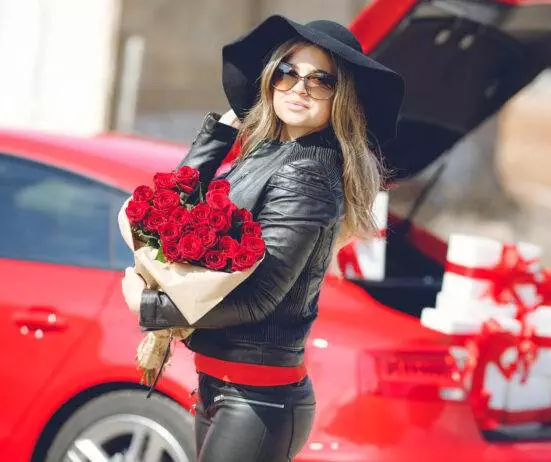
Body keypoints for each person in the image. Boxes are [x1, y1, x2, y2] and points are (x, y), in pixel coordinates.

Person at [119, 15, 404, 462]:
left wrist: (149, 307)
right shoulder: (269, 152)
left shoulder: (308, 173)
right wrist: (224, 129)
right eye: (287, 72)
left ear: (342, 97)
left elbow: (259, 298)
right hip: (226, 387)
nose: (299, 87)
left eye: (320, 80)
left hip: (258, 400)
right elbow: (171, 206)